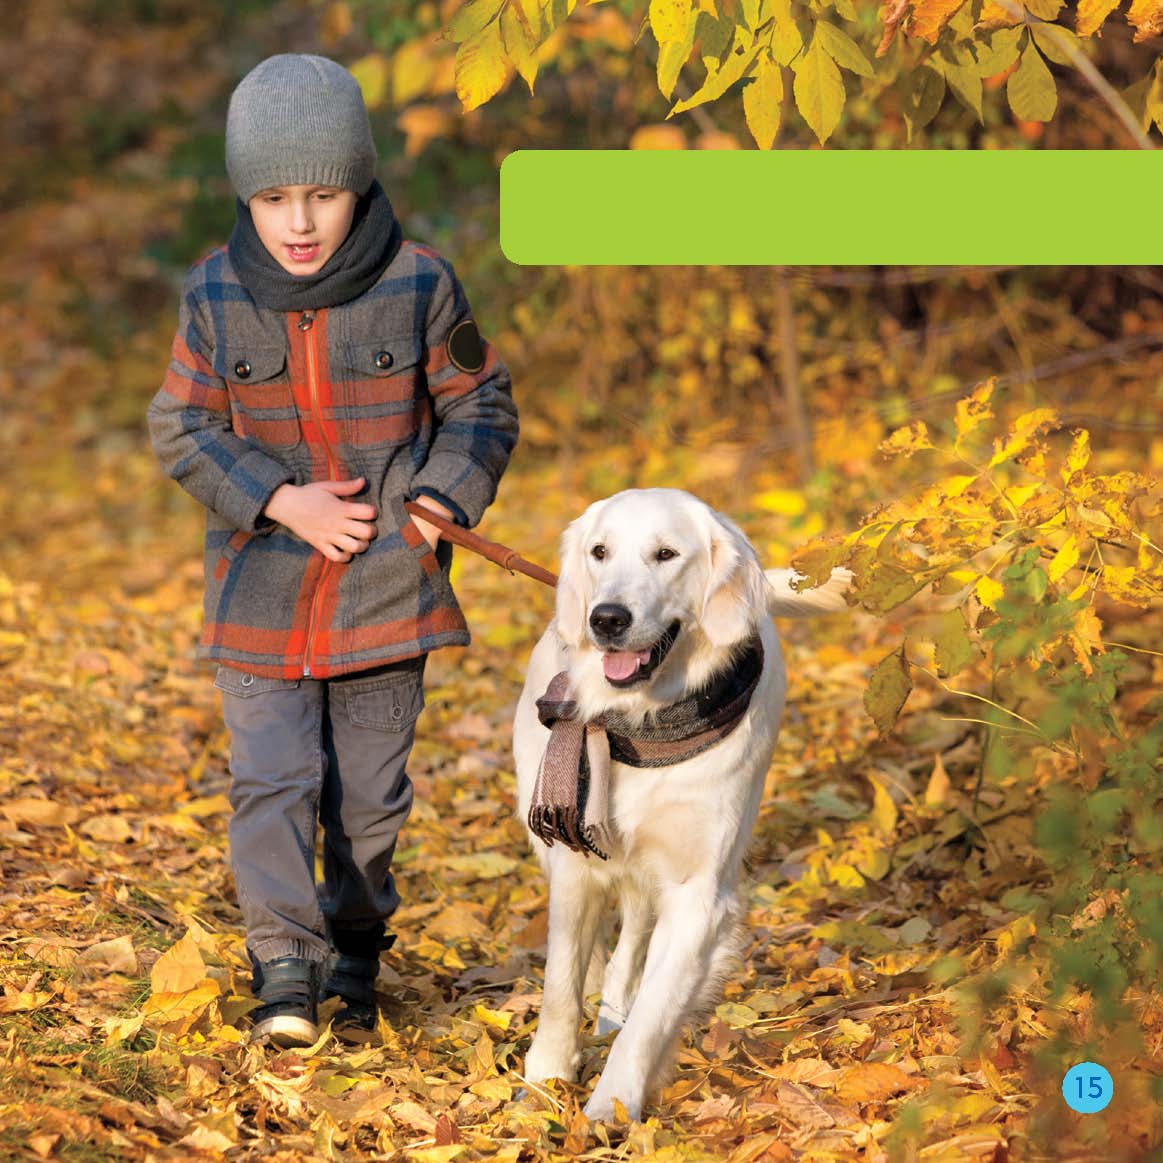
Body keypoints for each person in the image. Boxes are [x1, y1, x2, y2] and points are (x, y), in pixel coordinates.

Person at [148, 54, 518, 1048]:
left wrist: (446, 491)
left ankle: (355, 946)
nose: (299, 221)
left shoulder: (420, 282)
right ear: (246, 195)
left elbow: (479, 400)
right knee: (269, 780)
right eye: (274, 197)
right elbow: (180, 429)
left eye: (322, 193)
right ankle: (283, 965)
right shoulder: (215, 295)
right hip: (258, 595)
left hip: (385, 593)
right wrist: (277, 497)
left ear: (359, 183)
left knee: (368, 800)